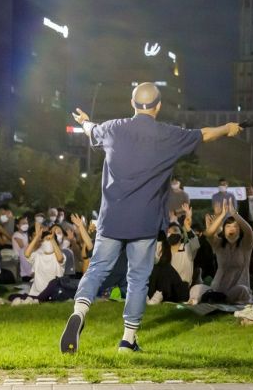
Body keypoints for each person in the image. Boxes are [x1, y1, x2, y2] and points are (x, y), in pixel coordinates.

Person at [60, 82, 243, 354]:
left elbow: (91, 129)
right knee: (137, 279)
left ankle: (79, 312)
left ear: (132, 104)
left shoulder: (112, 128)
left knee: (97, 268)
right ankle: (128, 340)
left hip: (111, 219)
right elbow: (204, 134)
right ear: (158, 106)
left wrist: (85, 121)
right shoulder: (167, 135)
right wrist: (228, 129)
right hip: (143, 223)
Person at [201, 199, 253, 304]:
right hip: (218, 288)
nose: (231, 228)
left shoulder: (245, 245)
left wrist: (234, 214)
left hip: (237, 289)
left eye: (235, 226)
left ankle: (219, 299)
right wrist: (222, 215)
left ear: (239, 229)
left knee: (242, 290)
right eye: (228, 226)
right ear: (224, 229)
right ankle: (216, 297)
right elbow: (209, 234)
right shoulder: (219, 244)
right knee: (198, 288)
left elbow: (249, 231)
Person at [12, 223, 66, 305]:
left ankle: (36, 300)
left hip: (53, 292)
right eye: (46, 240)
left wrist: (52, 239)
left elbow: (60, 259)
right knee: (12, 296)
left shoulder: (60, 255)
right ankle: (36, 299)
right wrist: (37, 237)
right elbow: (26, 254)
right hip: (36, 292)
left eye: (50, 240)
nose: (47, 242)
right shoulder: (37, 255)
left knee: (54, 282)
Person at [12, 216, 33, 282]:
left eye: (26, 223)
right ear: (18, 226)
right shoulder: (16, 235)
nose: (25, 225)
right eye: (23, 223)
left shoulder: (26, 234)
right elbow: (22, 247)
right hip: (20, 258)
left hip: (26, 257)